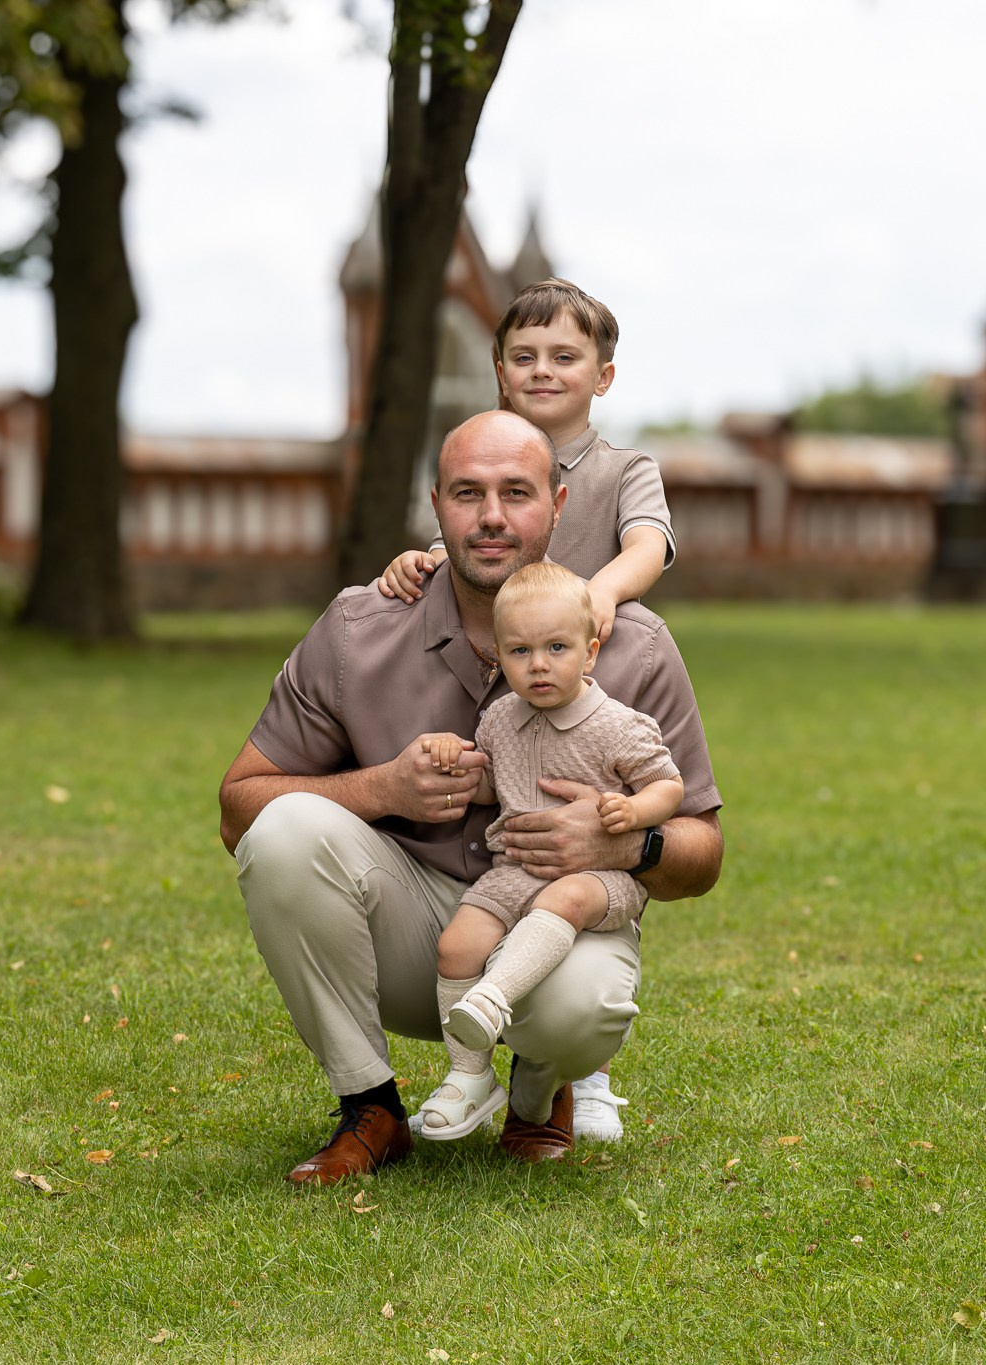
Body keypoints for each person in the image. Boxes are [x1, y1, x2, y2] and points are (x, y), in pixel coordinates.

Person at [218, 410, 722, 1184]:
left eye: (516, 492)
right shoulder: (359, 628)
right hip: (413, 930)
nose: (491, 516)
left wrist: (625, 843)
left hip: (554, 928)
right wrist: (383, 787)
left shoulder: (634, 644)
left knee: (587, 1004)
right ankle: (371, 1108)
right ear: (436, 505)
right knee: (285, 831)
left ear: (557, 505)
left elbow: (703, 854)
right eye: (467, 493)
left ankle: (537, 1086)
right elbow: (239, 807)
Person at [410, 562, 686, 1139]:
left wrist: (633, 812)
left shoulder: (618, 725)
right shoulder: (499, 720)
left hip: (598, 878)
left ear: (589, 654)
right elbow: (490, 787)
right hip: (516, 868)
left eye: (556, 647)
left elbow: (669, 785)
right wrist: (450, 757)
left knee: (566, 896)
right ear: (499, 658)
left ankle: (494, 1001)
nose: (538, 664)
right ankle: (469, 1076)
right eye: (519, 651)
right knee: (456, 945)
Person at [378, 278, 673, 645]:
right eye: (523, 358)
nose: (541, 370)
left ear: (603, 377)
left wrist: (602, 593)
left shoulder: (627, 471)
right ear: (503, 377)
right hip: (489, 652)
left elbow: (647, 548)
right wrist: (414, 566)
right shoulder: (477, 464)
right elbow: (449, 555)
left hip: (587, 659)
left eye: (563, 357)